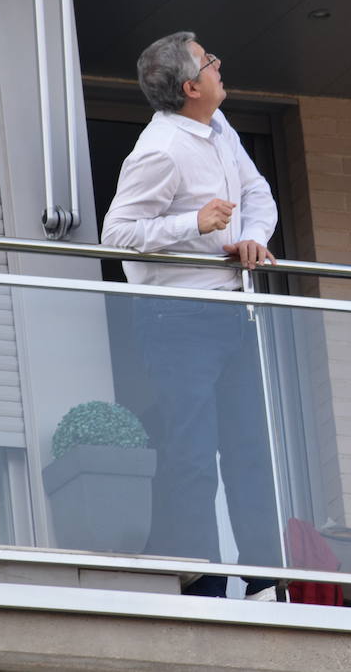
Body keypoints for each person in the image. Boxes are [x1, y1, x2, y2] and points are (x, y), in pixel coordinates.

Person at [101, 31, 281, 600]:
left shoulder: (220, 128)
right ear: (190, 85)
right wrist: (192, 225)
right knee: (194, 452)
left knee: (251, 448)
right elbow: (116, 236)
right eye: (210, 61)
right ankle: (202, 584)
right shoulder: (159, 149)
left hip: (231, 309)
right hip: (176, 319)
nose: (219, 65)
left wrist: (251, 238)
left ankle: (263, 580)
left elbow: (259, 194)